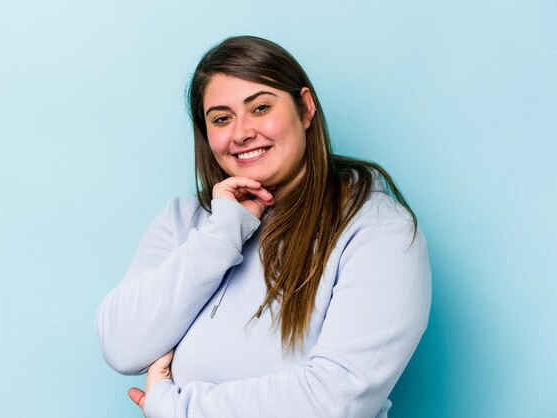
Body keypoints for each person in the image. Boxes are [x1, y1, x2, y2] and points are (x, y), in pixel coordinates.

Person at [96, 35, 431, 418]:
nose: (241, 133)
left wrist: (175, 408)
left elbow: (337, 399)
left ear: (305, 108)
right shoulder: (184, 220)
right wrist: (224, 230)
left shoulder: (380, 231)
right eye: (221, 118)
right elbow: (123, 346)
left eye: (260, 108)